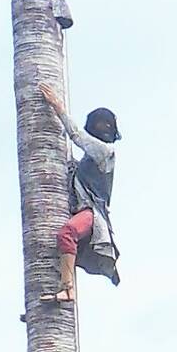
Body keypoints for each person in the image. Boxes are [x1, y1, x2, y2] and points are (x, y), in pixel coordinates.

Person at [38, 81, 121, 302]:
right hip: (81, 212)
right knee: (55, 247)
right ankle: (43, 296)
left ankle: (67, 289)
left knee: (66, 233)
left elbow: (76, 136)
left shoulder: (105, 152)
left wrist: (57, 106)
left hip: (92, 214)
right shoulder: (88, 160)